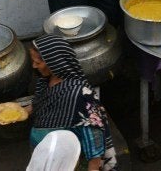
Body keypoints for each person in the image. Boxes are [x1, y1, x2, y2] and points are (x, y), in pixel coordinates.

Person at [27, 34, 116, 171]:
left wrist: (93, 168)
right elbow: (39, 104)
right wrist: (21, 111)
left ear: (54, 62)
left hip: (70, 162)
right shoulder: (44, 82)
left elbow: (94, 134)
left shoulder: (79, 94)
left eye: (38, 62)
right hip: (47, 156)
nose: (34, 66)